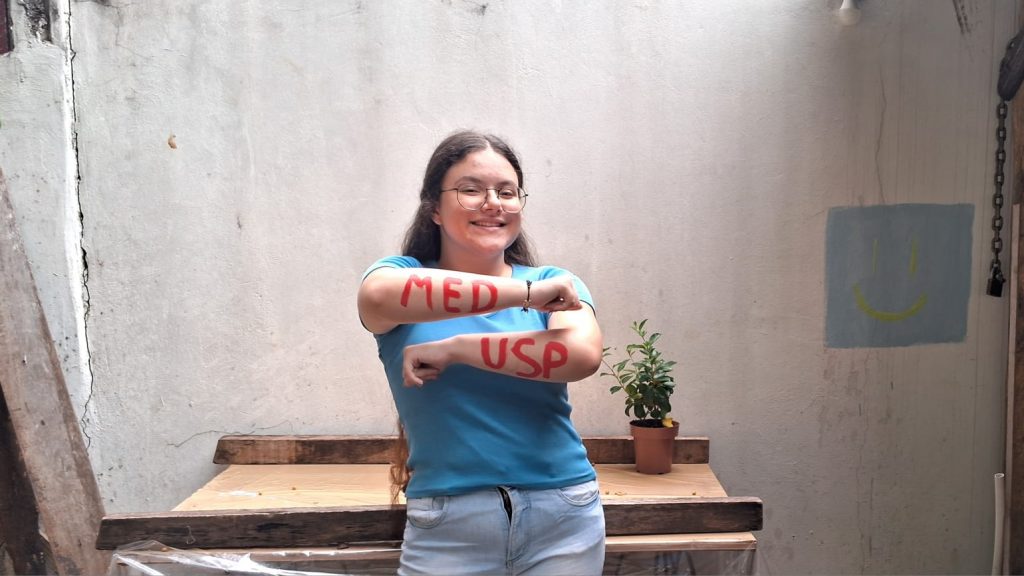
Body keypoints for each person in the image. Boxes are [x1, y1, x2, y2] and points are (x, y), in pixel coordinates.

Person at [357, 130, 606, 575]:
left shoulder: (555, 280)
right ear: (434, 208)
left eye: (507, 192)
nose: (493, 203)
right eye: (471, 190)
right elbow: (376, 297)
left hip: (563, 514)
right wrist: (525, 294)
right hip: (447, 524)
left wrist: (458, 349)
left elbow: (581, 355)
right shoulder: (400, 276)